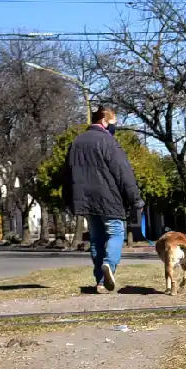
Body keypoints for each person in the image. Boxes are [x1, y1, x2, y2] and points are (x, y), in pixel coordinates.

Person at [62, 107, 141, 293]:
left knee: (96, 239)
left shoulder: (77, 142)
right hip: (109, 198)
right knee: (116, 233)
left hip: (85, 200)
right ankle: (109, 265)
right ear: (105, 122)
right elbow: (123, 172)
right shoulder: (108, 141)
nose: (114, 128)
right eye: (114, 124)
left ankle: (100, 281)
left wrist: (69, 199)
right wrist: (135, 199)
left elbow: (67, 173)